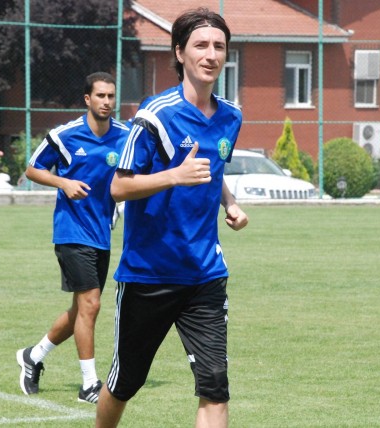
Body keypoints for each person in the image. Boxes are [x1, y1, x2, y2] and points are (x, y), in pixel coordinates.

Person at [95, 8, 248, 428]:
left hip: (205, 274)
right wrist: (174, 176)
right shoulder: (155, 114)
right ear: (180, 53)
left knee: (215, 386)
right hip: (149, 275)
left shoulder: (231, 116)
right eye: (201, 45)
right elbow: (119, 186)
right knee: (125, 382)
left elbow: (212, 171)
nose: (211, 54)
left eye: (219, 46)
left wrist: (230, 204)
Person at [16, 72, 129, 403]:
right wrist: (63, 182)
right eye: (101, 96)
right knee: (91, 304)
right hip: (71, 232)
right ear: (87, 99)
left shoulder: (125, 136)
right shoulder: (64, 135)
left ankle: (33, 356)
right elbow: (32, 169)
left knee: (82, 308)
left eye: (111, 96)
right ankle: (89, 384)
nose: (107, 102)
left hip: (102, 234)